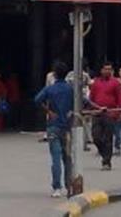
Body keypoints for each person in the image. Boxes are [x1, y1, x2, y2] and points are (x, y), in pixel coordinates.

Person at [34, 61, 75, 198]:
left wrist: (49, 111)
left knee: (56, 158)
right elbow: (83, 101)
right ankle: (69, 185)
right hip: (67, 127)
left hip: (53, 126)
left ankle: (57, 187)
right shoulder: (70, 89)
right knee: (67, 157)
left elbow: (37, 100)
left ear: (55, 74)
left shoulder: (50, 89)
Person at [88, 62, 121, 170]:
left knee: (108, 139)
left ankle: (106, 162)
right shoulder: (96, 82)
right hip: (97, 113)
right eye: (105, 69)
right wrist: (90, 110)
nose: (107, 71)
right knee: (96, 137)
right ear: (101, 70)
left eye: (109, 69)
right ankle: (104, 153)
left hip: (110, 113)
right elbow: (91, 98)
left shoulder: (115, 83)